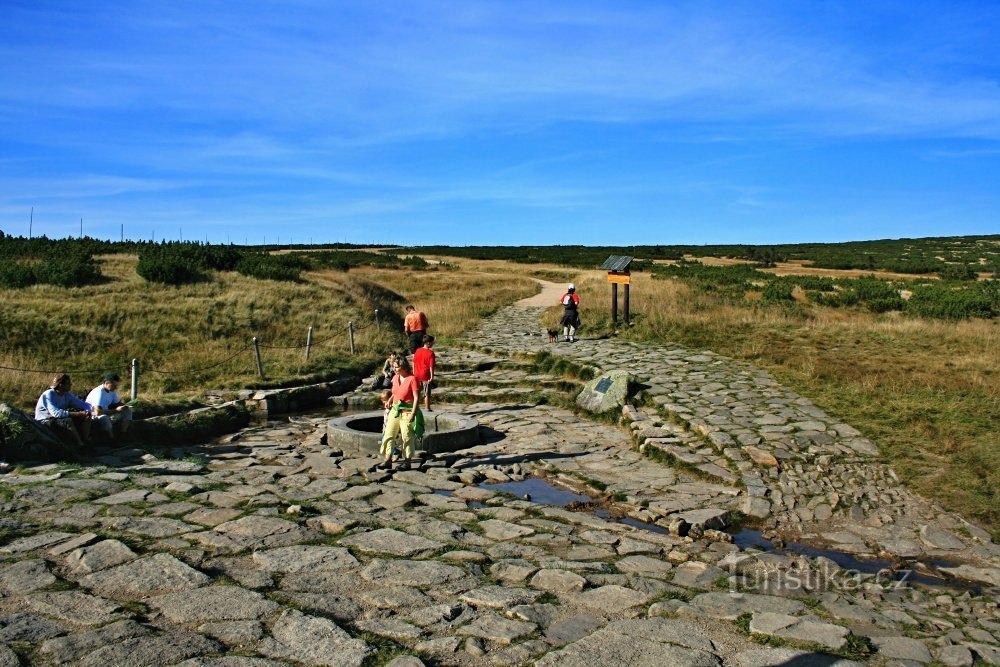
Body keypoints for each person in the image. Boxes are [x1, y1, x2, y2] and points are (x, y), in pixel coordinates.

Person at [379, 358, 423, 471]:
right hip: (395, 409)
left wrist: (413, 413)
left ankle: (407, 462)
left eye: (396, 367)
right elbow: (395, 392)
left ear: (403, 367)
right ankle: (387, 460)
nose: (394, 369)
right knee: (389, 433)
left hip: (407, 411)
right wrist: (390, 400)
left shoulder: (412, 379)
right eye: (393, 367)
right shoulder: (395, 377)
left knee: (406, 436)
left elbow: (417, 397)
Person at [34, 373, 93, 447]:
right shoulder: (49, 394)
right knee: (68, 421)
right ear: (61, 385)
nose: (71, 385)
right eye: (68, 383)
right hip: (45, 420)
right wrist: (78, 414)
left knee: (86, 417)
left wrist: (88, 411)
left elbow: (82, 404)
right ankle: (80, 444)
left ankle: (85, 440)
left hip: (58, 418)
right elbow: (55, 413)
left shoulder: (67, 394)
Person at [86, 373, 132, 443]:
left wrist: (127, 406)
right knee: (104, 417)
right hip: (93, 416)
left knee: (127, 411)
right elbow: (98, 412)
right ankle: (112, 440)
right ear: (107, 383)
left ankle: (122, 435)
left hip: (106, 413)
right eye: (114, 385)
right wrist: (115, 410)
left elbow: (117, 403)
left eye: (116, 385)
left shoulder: (111, 391)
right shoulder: (99, 392)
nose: (116, 387)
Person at [412, 335, 436, 411]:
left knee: (417, 393)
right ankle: (427, 408)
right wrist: (432, 377)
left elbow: (413, 362)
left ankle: (416, 408)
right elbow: (431, 366)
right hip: (426, 376)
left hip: (416, 375)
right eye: (432, 342)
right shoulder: (430, 353)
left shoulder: (417, 350)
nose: (433, 343)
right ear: (428, 343)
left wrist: (413, 372)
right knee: (427, 394)